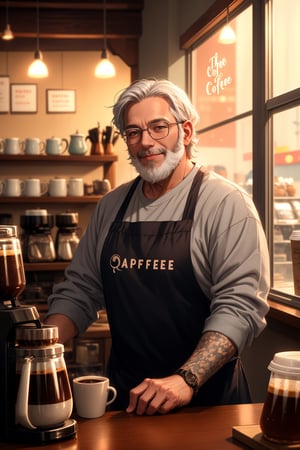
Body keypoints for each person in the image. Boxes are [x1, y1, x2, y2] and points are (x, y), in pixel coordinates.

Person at [45, 78, 270, 416]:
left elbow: (240, 306)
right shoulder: (111, 205)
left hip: (206, 400)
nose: (145, 142)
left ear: (187, 131)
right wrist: (41, 349)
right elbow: (80, 289)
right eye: (133, 132)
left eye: (158, 127)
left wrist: (185, 379)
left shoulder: (226, 203)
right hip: (125, 398)